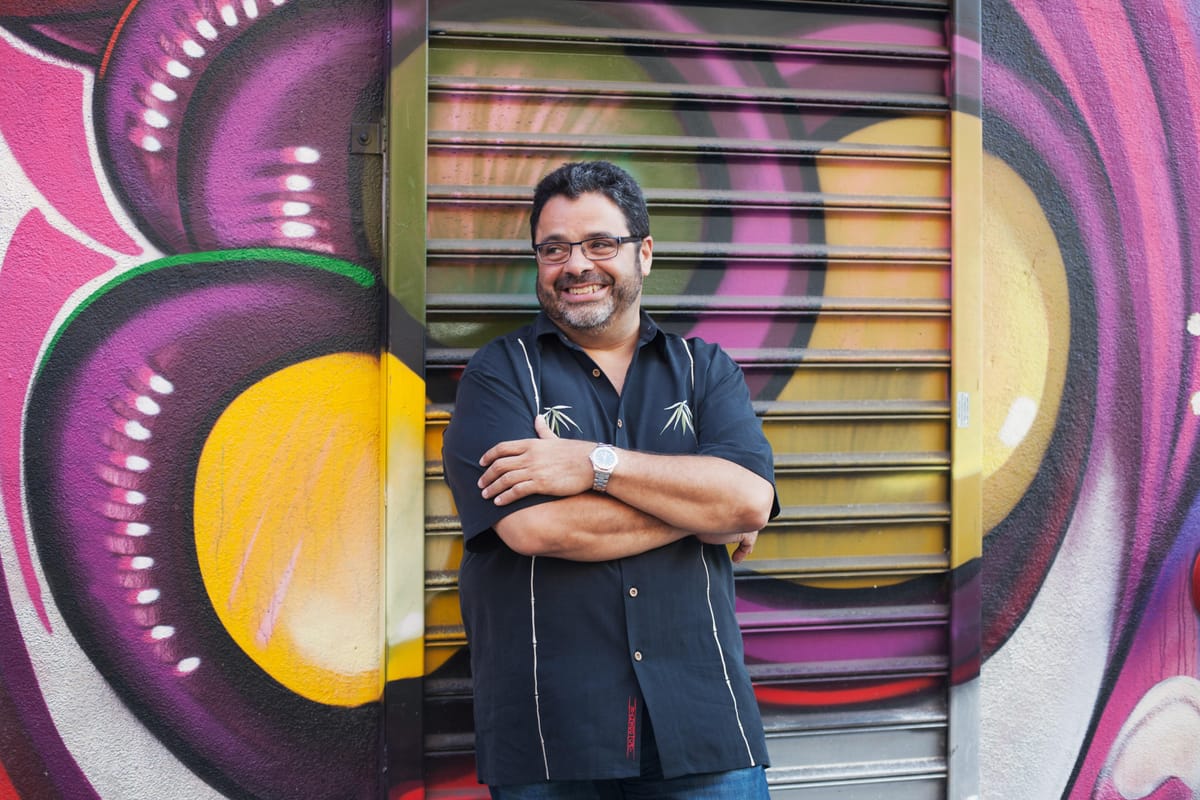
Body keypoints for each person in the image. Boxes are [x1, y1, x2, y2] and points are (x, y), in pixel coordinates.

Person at [441, 160, 780, 799]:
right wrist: (699, 511)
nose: (577, 265)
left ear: (643, 254)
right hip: (552, 732)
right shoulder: (499, 376)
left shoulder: (705, 371)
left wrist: (594, 464)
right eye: (554, 249)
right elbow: (536, 528)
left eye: (600, 243)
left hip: (703, 723)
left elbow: (748, 501)